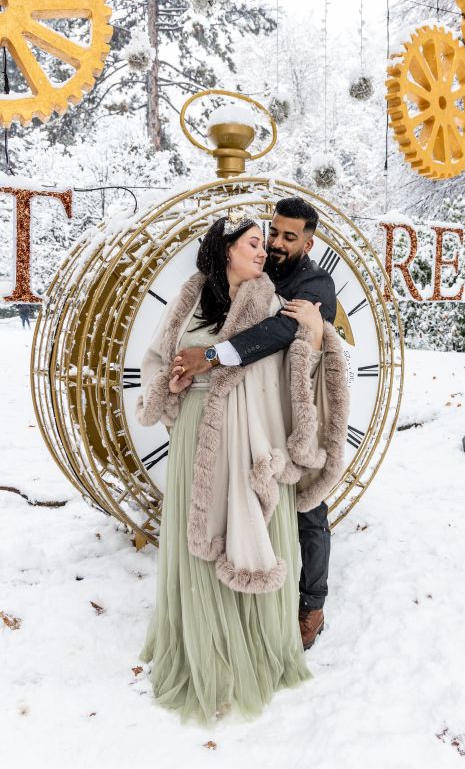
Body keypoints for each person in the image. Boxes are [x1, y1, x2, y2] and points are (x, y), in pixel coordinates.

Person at [136, 213, 348, 725]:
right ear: (225, 249)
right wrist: (174, 383)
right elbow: (160, 360)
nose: (266, 249)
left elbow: (289, 353)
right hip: (194, 436)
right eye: (256, 241)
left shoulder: (276, 297)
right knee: (199, 537)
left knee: (259, 530)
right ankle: (202, 645)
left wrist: (316, 338)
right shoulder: (193, 294)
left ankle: (262, 640)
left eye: (273, 240)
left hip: (251, 438)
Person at [171, 197, 337, 651]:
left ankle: (312, 603)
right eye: (272, 233)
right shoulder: (257, 267)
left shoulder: (314, 282)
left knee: (307, 510)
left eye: (289, 237)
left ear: (309, 240)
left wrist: (210, 357)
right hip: (253, 414)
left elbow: (282, 332)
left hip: (292, 414)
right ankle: (253, 606)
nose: (276, 245)